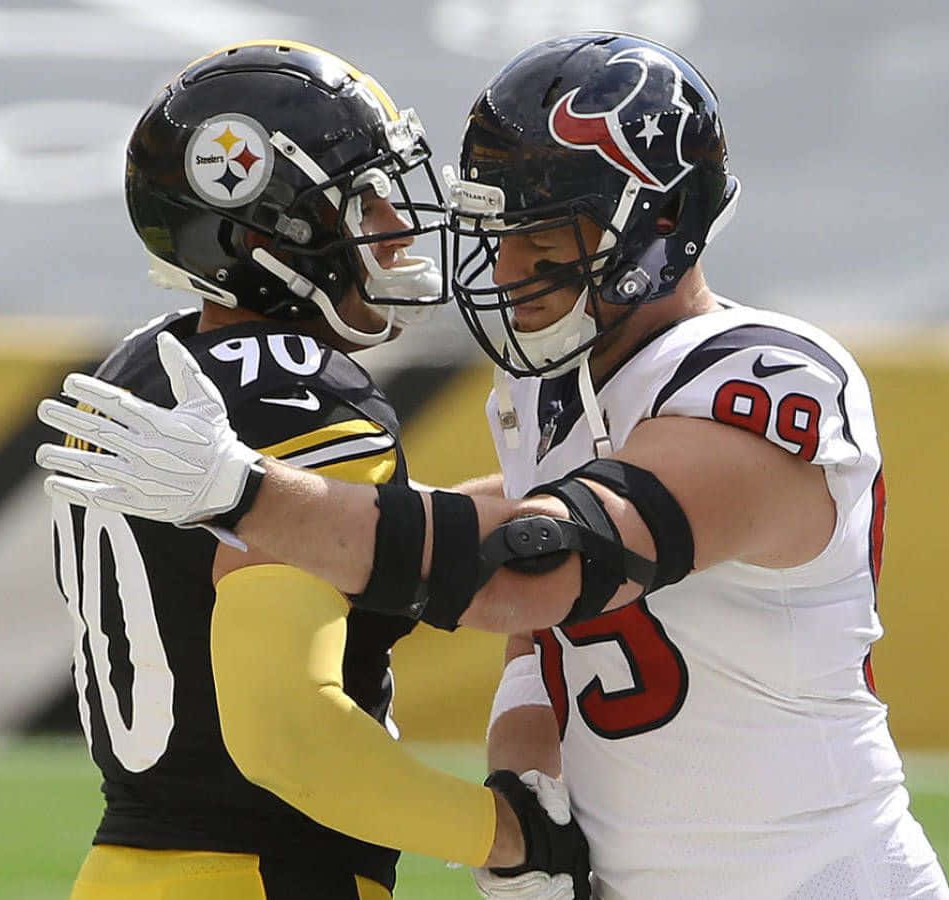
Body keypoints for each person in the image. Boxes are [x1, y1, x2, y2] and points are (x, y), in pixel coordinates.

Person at [37, 31, 949, 899]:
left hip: (811, 876)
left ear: (662, 221)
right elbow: (537, 645)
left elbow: (545, 569)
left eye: (543, 240)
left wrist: (249, 495)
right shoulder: (546, 394)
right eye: (498, 231)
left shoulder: (765, 377)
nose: (508, 266)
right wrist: (524, 788)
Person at [44, 39, 588, 900]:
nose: (397, 228)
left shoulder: (149, 364)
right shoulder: (290, 391)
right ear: (278, 233)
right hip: (265, 877)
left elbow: (355, 537)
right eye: (367, 202)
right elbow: (287, 734)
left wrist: (577, 500)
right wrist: (507, 835)